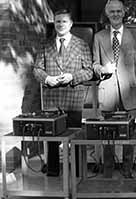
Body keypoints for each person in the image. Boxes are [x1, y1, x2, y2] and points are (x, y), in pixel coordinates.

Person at [92, 0, 136, 178]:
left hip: (129, 93)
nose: (115, 14)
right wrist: (101, 69)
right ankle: (108, 171)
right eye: (111, 11)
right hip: (107, 92)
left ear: (124, 13)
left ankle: (127, 171)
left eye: (118, 11)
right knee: (107, 134)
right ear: (107, 14)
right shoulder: (99, 37)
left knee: (129, 135)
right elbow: (94, 63)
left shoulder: (135, 37)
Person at [33, 9, 93, 176]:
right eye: (57, 21)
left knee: (75, 136)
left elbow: (89, 71)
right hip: (52, 99)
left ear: (71, 24)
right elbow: (37, 69)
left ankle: (78, 172)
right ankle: (52, 171)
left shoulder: (81, 45)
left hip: (73, 98)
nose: (60, 24)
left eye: (64, 21)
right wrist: (46, 79)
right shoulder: (46, 45)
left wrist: (72, 77)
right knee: (51, 137)